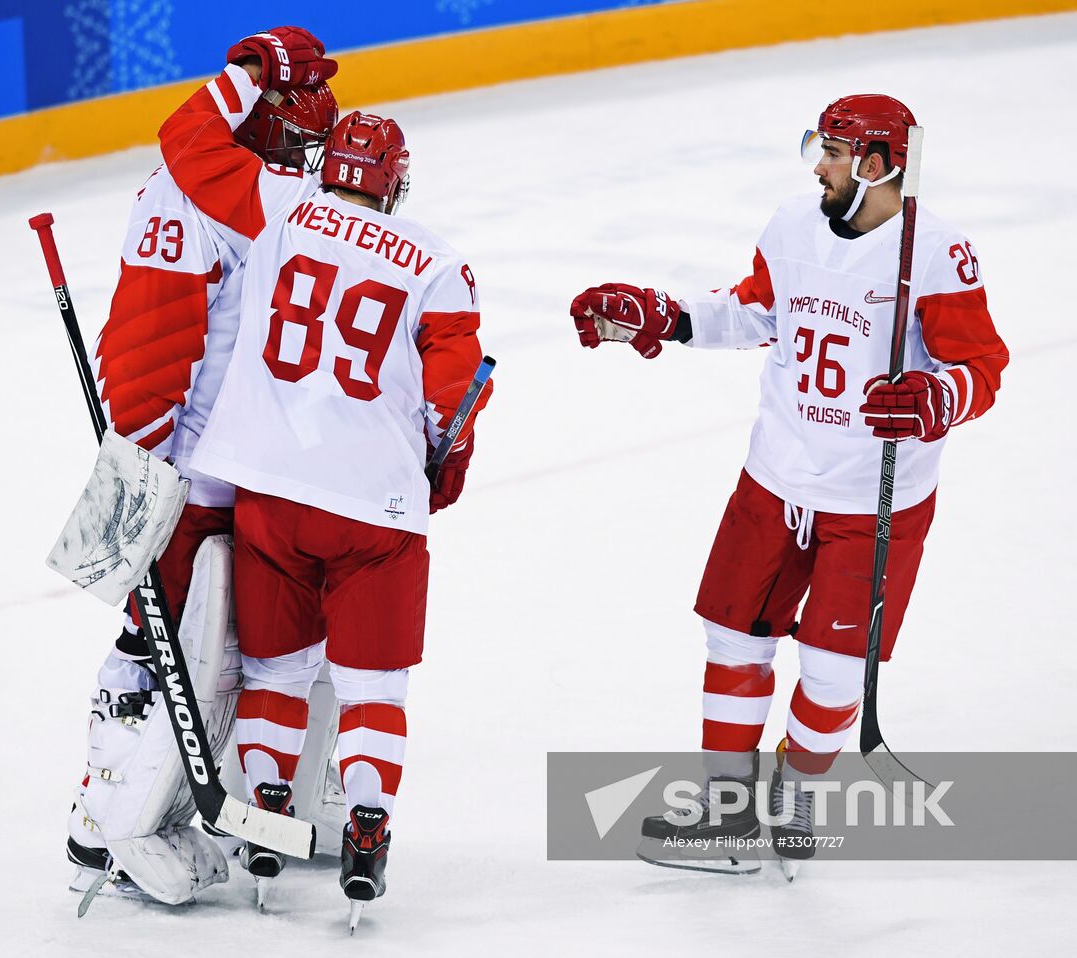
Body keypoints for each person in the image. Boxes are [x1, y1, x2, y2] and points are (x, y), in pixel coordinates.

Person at [570, 94, 1008, 877]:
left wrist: (941, 399)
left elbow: (983, 368)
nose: (819, 164)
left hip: (874, 503)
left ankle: (799, 787)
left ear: (877, 165)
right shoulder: (790, 225)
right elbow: (754, 312)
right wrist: (665, 318)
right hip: (775, 475)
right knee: (733, 637)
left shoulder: (936, 253)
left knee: (834, 675)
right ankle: (726, 817)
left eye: (834, 152)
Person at [156, 41, 492, 923]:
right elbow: (453, 402)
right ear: (393, 185)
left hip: (268, 493)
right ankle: (367, 827)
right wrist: (441, 477)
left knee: (276, 670)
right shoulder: (437, 263)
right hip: (374, 507)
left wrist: (245, 79)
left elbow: (184, 146)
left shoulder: (280, 206)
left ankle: (265, 815)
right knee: (372, 687)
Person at [65, 27, 345, 906]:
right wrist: (149, 478)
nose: (308, 155)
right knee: (169, 647)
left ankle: (289, 795)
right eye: (295, 135)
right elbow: (149, 349)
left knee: (280, 642)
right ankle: (105, 819)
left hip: (259, 469)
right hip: (181, 466)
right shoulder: (181, 201)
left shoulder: (269, 190)